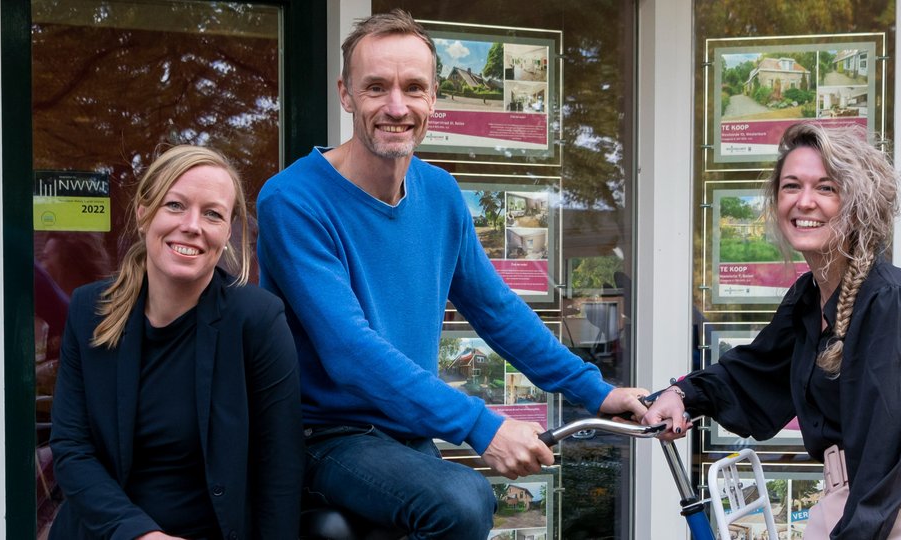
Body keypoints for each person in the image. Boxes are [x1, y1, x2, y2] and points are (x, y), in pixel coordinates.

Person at [255, 10, 650, 539]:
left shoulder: (440, 194)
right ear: (346, 94)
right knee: (463, 502)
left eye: (413, 88)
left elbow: (497, 311)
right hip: (327, 435)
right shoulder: (293, 200)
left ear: (433, 99)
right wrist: (481, 426)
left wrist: (597, 392)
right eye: (376, 87)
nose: (397, 107)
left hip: (406, 431)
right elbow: (350, 349)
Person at [643, 123, 901, 540]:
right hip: (846, 502)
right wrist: (681, 394)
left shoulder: (889, 300)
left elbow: (886, 447)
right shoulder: (809, 297)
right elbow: (756, 372)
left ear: (858, 204)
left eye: (826, 187)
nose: (804, 202)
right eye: (791, 187)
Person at [49, 145, 300, 540]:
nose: (192, 225)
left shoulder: (258, 321)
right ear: (143, 212)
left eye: (212, 214)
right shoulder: (89, 310)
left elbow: (280, 470)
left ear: (227, 232)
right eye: (176, 205)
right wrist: (141, 535)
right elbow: (72, 448)